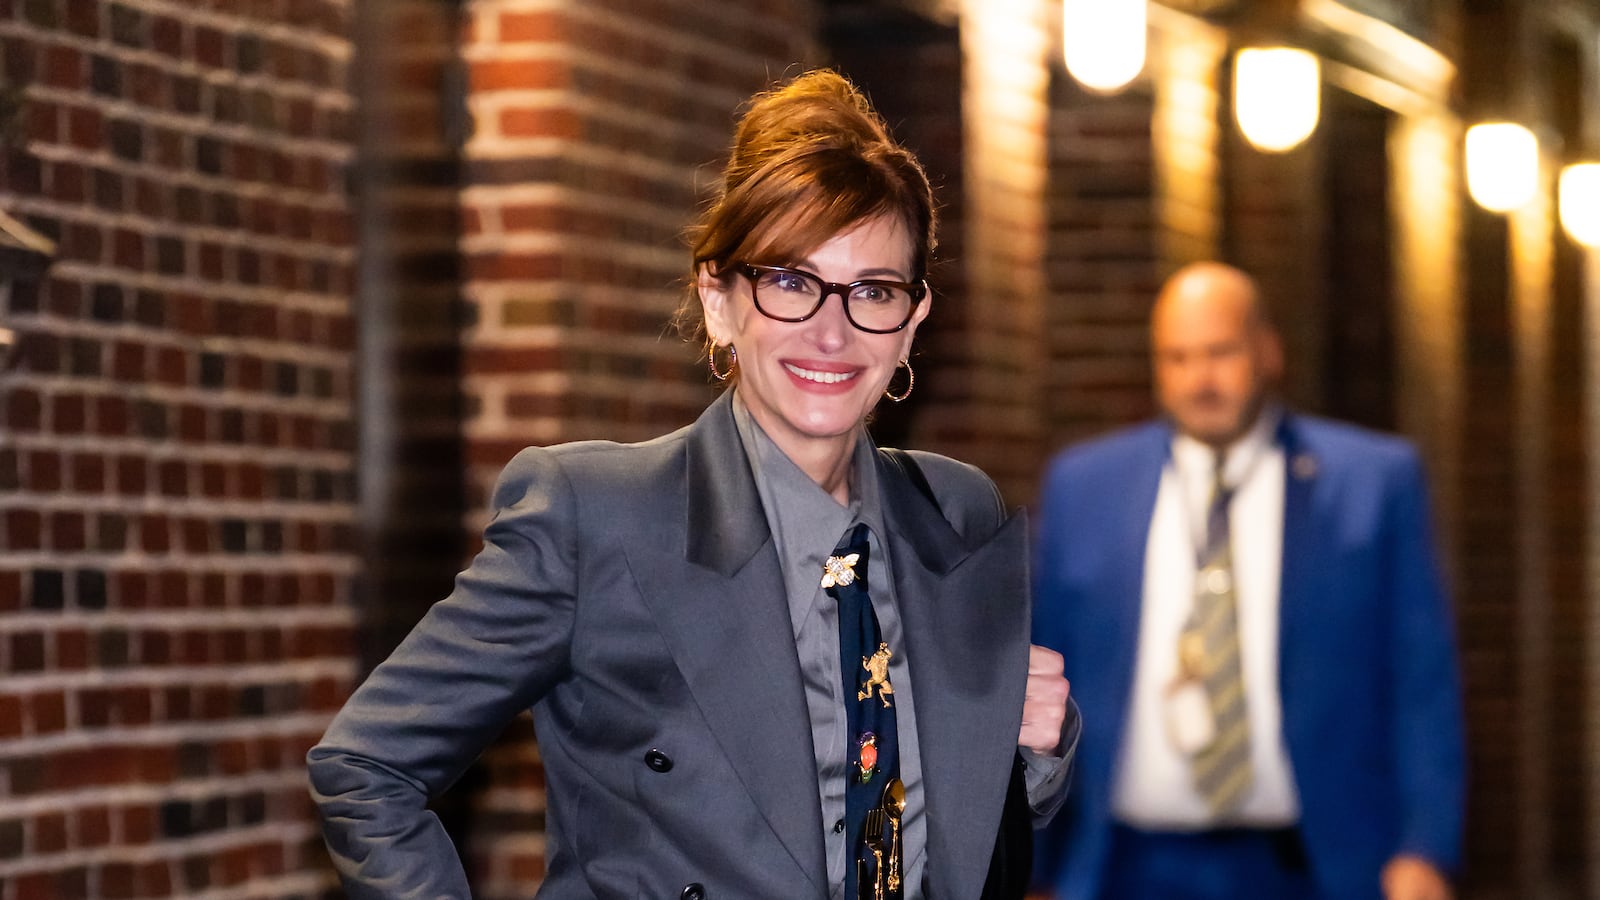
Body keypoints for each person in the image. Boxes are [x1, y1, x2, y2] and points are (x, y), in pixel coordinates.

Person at [308, 69, 1078, 899]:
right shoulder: (597, 519)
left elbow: (967, 829)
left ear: (912, 321)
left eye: (873, 292)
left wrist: (1038, 750)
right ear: (719, 300)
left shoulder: (955, 514)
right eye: (790, 282)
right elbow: (366, 765)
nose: (832, 330)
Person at [1030, 262, 1463, 900]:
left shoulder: (1374, 483)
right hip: (1123, 865)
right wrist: (1033, 865)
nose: (1199, 378)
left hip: (1308, 865)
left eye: (1220, 352)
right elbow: (1040, 683)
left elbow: (1421, 681)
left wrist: (1425, 847)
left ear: (1268, 351)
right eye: (1177, 358)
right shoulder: (1085, 487)